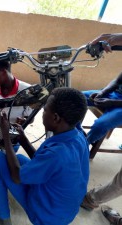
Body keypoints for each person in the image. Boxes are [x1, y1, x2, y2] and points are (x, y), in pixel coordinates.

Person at [0, 87, 89, 225]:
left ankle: (0, 218)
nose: (42, 113)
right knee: (20, 159)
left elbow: (16, 177)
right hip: (65, 211)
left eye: (45, 110)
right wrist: (23, 139)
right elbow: (45, 162)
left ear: (56, 118)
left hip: (45, 216)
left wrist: (5, 134)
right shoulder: (78, 137)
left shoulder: (56, 154)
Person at [80, 33, 122, 225]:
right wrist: (103, 92)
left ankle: (83, 146)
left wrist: (110, 101)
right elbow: (117, 80)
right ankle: (71, 132)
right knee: (78, 97)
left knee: (101, 124)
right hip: (113, 95)